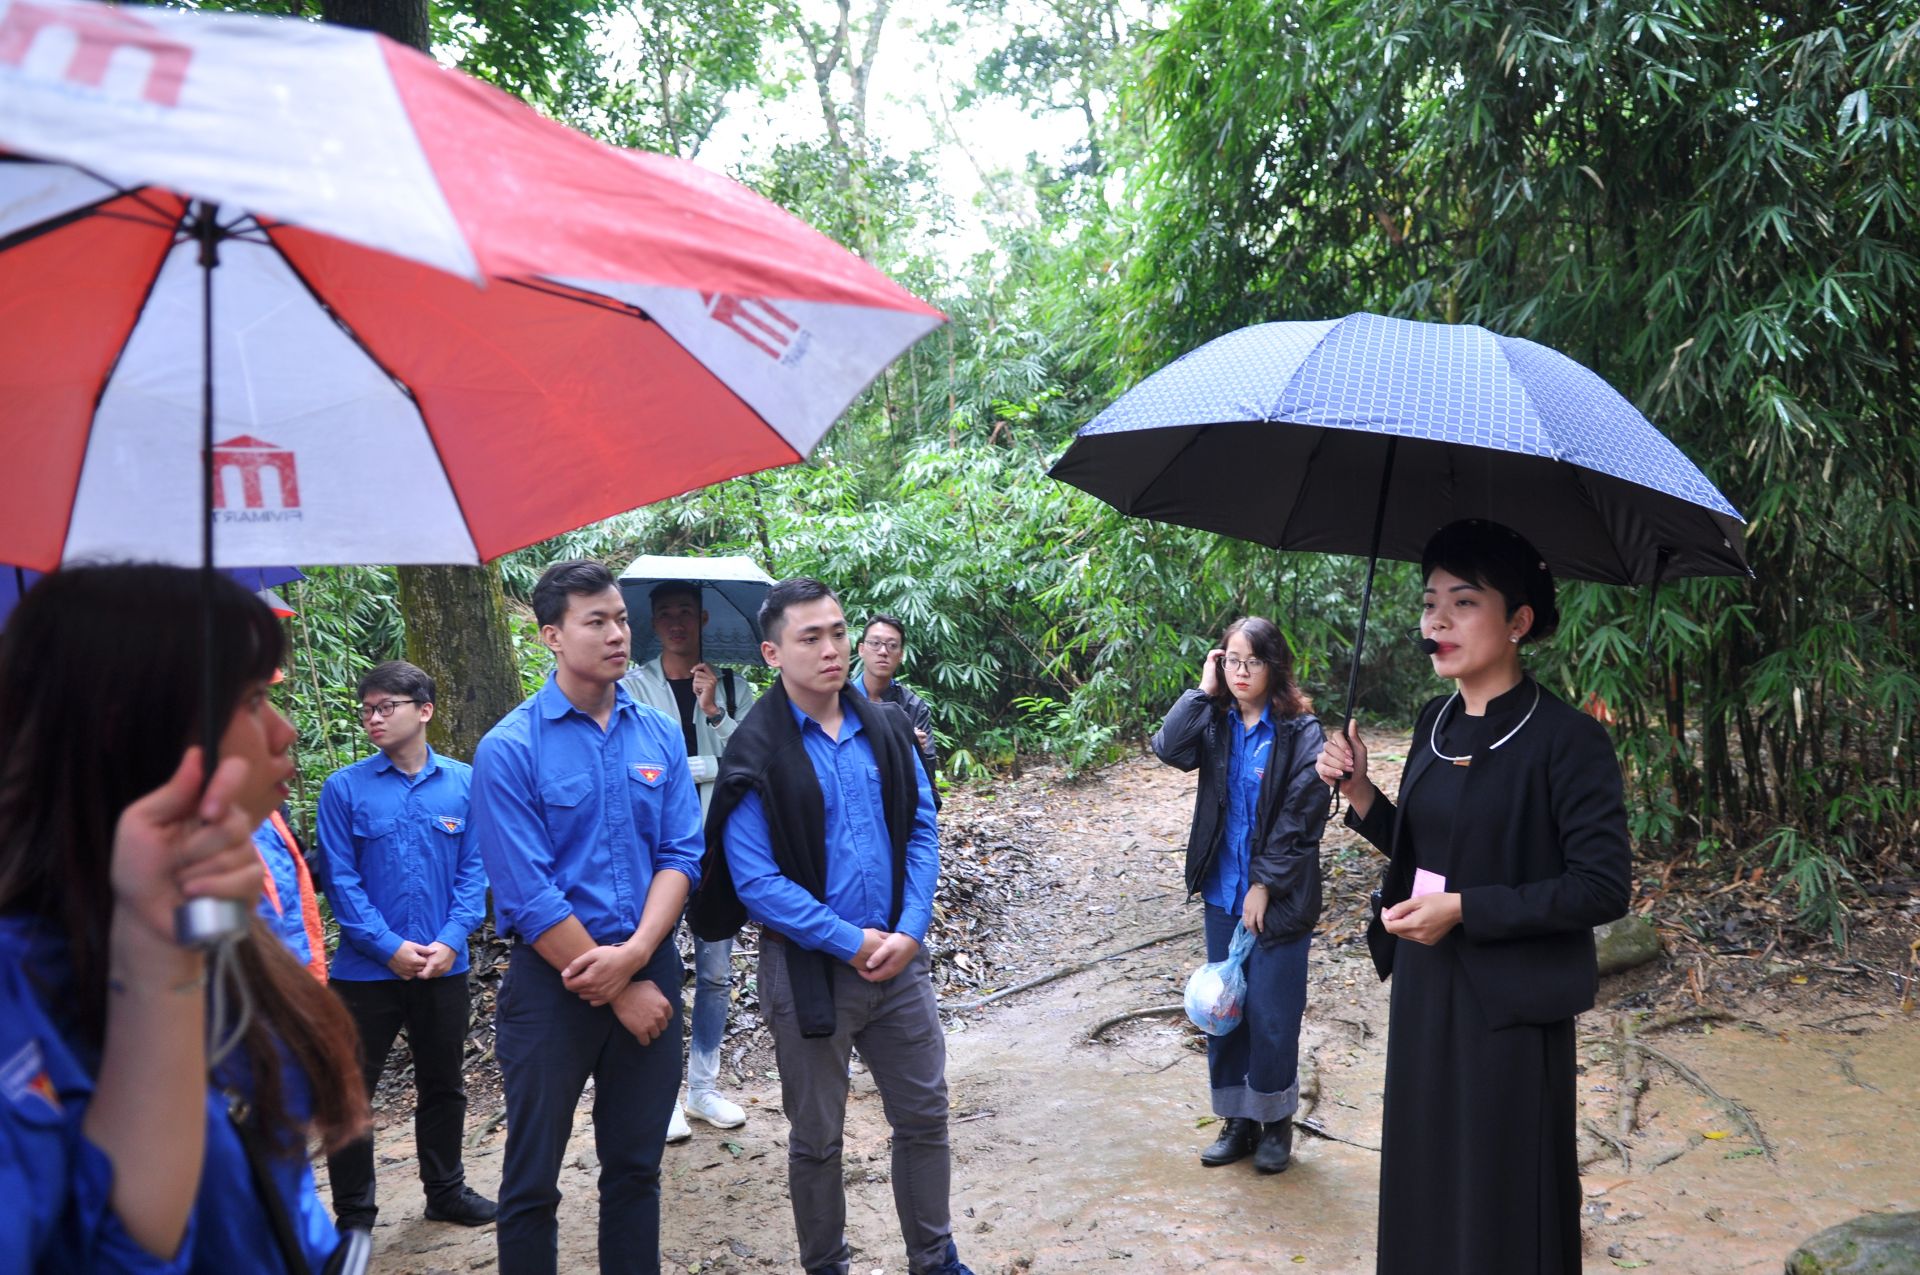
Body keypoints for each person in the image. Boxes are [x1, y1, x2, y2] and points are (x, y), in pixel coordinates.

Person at [0, 564, 367, 1272]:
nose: (285, 730)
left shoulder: (214, 908)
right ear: (131, 723)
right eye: (254, 697)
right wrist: (155, 964)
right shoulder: (23, 984)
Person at [1314, 519, 1631, 1275]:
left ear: (1518, 621)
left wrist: (1466, 910)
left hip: (1511, 1006)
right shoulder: (1435, 720)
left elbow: (1601, 885)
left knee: (1503, 1187)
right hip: (1427, 989)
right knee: (1428, 1174)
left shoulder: (1567, 741)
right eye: (1429, 604)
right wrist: (1360, 792)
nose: (1437, 623)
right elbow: (1430, 851)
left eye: (1462, 603)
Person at [694, 578, 974, 1275]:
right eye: (810, 637)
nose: (832, 648)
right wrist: (851, 941)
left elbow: (920, 828)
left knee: (924, 1114)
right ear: (771, 652)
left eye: (838, 632)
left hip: (899, 963)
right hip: (810, 970)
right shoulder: (755, 751)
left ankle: (934, 1257)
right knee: (818, 1138)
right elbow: (756, 882)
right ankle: (827, 1265)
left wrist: (909, 929)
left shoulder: (883, 725)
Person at [469, 560, 703, 1275]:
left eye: (620, 618)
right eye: (594, 621)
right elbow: (527, 892)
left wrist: (635, 959)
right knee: (531, 1180)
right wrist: (617, 983)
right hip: (552, 985)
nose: (616, 633)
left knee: (635, 1169)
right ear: (550, 635)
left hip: (649, 963)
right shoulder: (509, 747)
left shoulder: (659, 734)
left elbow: (681, 854)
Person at [317, 660, 495, 1232]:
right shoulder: (344, 789)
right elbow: (340, 882)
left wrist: (448, 941)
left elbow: (477, 871)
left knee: (443, 1084)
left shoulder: (466, 784)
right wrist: (389, 946)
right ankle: (354, 1216)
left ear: (424, 710)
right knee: (352, 1094)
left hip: (444, 967)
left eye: (385, 707)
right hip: (364, 974)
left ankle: (445, 1191)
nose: (372, 718)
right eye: (366, 709)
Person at [1151, 616, 1326, 1173]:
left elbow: (1303, 817)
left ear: (1274, 666)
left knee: (1273, 1014)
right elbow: (1167, 749)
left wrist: (1264, 885)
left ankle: (1276, 1124)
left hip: (1279, 898)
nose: (1240, 671)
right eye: (1230, 660)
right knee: (1224, 1010)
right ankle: (1237, 1120)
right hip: (1221, 894)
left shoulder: (1302, 732)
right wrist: (1203, 691)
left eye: (1251, 661)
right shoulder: (1216, 722)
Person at [621, 581, 757, 1141]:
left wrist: (715, 712)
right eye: (665, 613)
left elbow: (755, 760)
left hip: (719, 850)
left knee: (717, 974)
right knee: (660, 969)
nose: (676, 622)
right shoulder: (631, 686)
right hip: (655, 855)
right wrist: (696, 765)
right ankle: (663, 1095)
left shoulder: (732, 685)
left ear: (702, 619)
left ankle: (702, 1088)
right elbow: (633, 763)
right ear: (653, 622)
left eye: (684, 612)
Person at [856, 614, 941, 808]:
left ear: (901, 654)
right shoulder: (839, 700)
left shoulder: (913, 707)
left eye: (892, 645)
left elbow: (926, 771)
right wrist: (901, 740)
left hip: (898, 805)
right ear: (861, 649)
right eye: (875, 643)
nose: (883, 651)